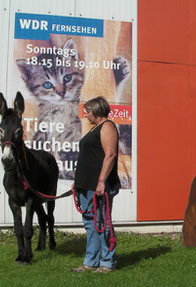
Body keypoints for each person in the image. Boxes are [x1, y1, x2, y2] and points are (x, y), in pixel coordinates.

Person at [71, 96, 120, 273]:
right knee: (90, 224)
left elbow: (110, 155)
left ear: (98, 110)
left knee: (102, 222)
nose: (86, 114)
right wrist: (77, 184)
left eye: (89, 111)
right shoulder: (94, 129)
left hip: (99, 185)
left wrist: (101, 182)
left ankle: (108, 262)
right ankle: (90, 262)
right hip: (85, 184)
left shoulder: (107, 127)